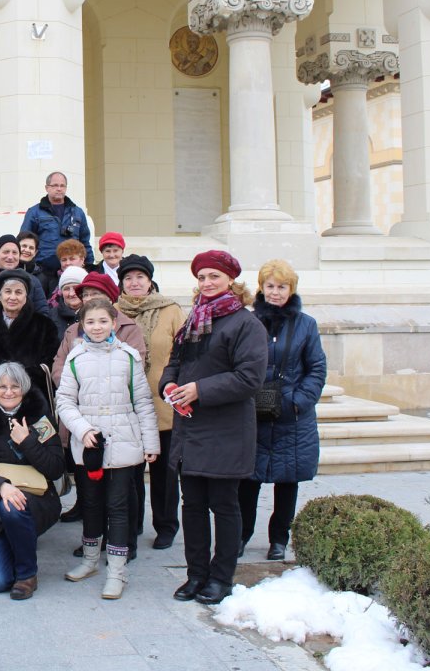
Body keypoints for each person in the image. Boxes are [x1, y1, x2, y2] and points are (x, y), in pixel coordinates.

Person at [161, 250, 268, 605]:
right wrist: (169, 384)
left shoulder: (245, 324)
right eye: (202, 277)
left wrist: (200, 390)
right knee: (191, 506)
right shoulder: (195, 319)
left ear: (231, 281)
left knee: (224, 506)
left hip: (226, 430)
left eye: (214, 277)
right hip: (190, 429)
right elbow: (175, 361)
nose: (207, 283)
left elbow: (249, 378)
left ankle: (221, 577)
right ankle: (196, 575)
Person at [57, 300, 159, 600]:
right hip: (90, 443)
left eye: (103, 321)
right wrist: (82, 429)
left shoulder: (128, 357)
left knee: (118, 506)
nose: (97, 327)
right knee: (90, 503)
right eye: (91, 322)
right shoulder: (76, 358)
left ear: (114, 323)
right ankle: (90, 560)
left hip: (124, 440)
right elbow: (65, 401)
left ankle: (117, 570)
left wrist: (150, 443)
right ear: (82, 326)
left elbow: (142, 401)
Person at [239, 260, 326, 561]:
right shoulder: (248, 321)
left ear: (292, 289)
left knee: (287, 481)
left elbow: (316, 368)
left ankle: (279, 538)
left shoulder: (306, 324)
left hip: (291, 415)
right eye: (270, 286)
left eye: (282, 287)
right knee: (247, 480)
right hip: (253, 412)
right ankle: (242, 535)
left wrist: (298, 401)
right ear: (261, 288)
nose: (275, 293)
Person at [50, 272, 147, 534]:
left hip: (121, 419)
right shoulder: (73, 330)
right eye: (86, 295)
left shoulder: (127, 328)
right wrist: (79, 380)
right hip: (85, 416)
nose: (90, 299)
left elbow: (137, 369)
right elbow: (61, 364)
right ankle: (94, 534)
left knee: (124, 489)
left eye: (96, 294)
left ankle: (128, 537)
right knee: (90, 480)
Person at [0, 362, 64, 600]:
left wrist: (27, 442)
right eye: (2, 387)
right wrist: (1, 486)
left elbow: (56, 468)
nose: (8, 392)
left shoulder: (39, 418)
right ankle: (15, 538)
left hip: (38, 498)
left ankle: (27, 575)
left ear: (24, 388)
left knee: (12, 506)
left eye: (14, 386)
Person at [114, 254, 186, 550]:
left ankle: (166, 525)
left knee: (165, 475)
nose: (134, 283)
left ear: (150, 280)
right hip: (126, 406)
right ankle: (130, 526)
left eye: (139, 277)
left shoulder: (170, 310)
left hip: (163, 405)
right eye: (128, 278)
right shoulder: (113, 310)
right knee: (129, 474)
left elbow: (183, 351)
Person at [0, 269, 59, 397]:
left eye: (18, 292)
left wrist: (22, 378)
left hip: (33, 394)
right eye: (7, 291)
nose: (13, 297)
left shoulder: (44, 325)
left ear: (26, 297)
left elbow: (51, 361)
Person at [19, 172, 94, 291]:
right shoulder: (34, 212)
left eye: (62, 186)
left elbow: (85, 242)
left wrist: (89, 267)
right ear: (47, 188)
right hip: (43, 272)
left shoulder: (78, 212)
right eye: (54, 185)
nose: (59, 189)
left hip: (72, 271)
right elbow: (25, 240)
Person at [0, 235, 51, 315]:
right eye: (6, 252)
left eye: (15, 253)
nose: (10, 257)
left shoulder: (32, 281)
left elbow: (43, 312)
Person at [50, 266, 87, 335]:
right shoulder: (50, 316)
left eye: (76, 288)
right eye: (66, 289)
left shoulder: (97, 313)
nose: (71, 293)